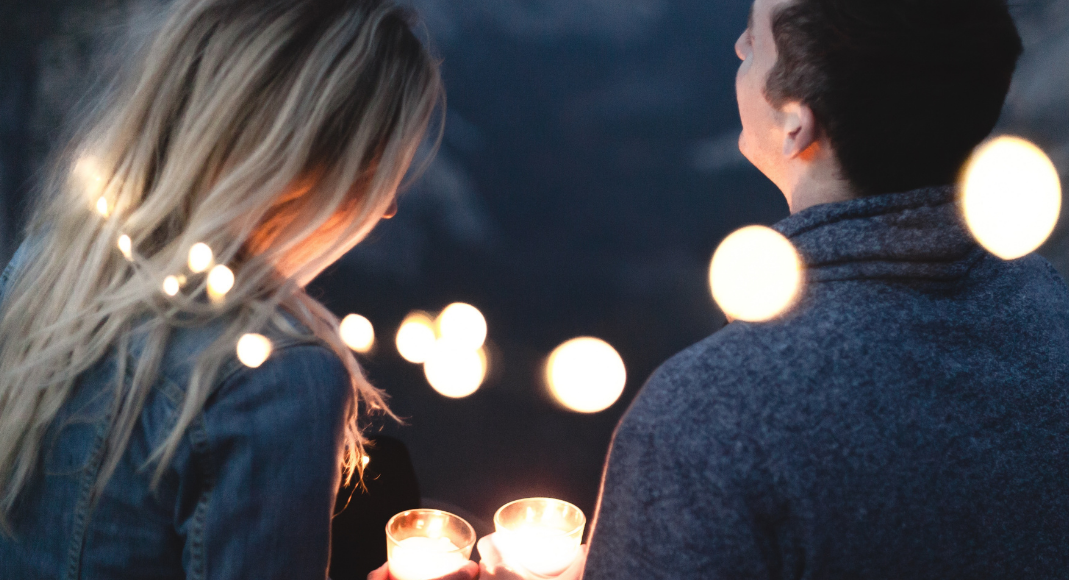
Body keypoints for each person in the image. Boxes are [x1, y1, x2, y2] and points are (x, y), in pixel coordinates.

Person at [486, 0, 1069, 578]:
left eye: (754, 39)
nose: (739, 47)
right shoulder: (1049, 312)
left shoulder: (708, 420)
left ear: (797, 126)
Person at [0, 1, 466, 578]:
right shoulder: (273, 373)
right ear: (305, 160)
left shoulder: (46, 266)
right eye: (378, 169)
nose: (387, 207)